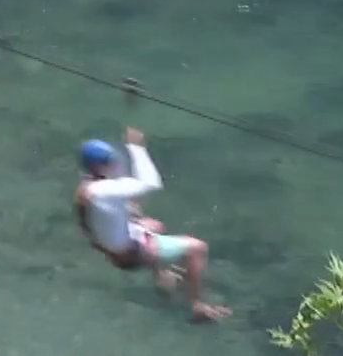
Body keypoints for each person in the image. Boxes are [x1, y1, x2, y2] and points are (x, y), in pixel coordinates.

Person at [76, 128, 230, 323]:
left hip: (113, 250)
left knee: (152, 223)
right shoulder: (106, 190)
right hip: (131, 253)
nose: (115, 165)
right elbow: (152, 183)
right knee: (197, 248)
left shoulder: (84, 190)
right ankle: (197, 305)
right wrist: (136, 147)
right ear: (101, 166)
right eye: (110, 162)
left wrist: (135, 222)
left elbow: (92, 225)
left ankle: (163, 277)